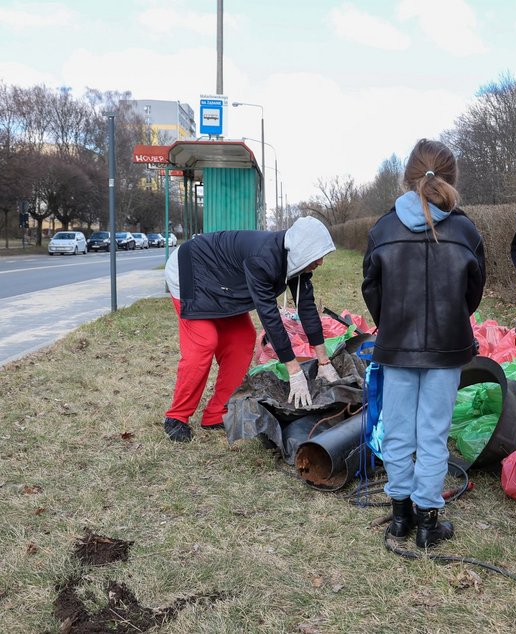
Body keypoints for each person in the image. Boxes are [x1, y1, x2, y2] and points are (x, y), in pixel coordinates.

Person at [362, 139, 486, 549]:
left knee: (397, 430)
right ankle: (428, 523)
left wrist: (392, 325)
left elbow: (372, 288)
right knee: (433, 433)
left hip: (396, 344)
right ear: (451, 178)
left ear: (407, 177)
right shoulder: (465, 229)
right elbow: (473, 291)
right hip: (447, 347)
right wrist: (451, 321)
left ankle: (400, 518)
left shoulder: (383, 227)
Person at [162, 216, 340, 442]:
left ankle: (217, 412)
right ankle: (176, 417)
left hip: (222, 281)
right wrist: (294, 371)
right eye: (317, 256)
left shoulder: (296, 263)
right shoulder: (263, 258)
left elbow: (307, 309)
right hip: (189, 269)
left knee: (243, 339)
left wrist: (324, 361)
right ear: (301, 249)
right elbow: (270, 317)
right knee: (204, 341)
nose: (320, 262)